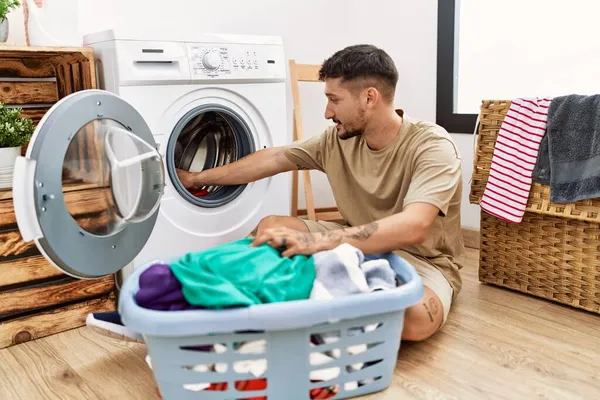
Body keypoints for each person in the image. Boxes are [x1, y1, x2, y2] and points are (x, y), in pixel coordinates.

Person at [87, 44, 464, 343]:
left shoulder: (431, 146)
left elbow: (415, 226)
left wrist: (321, 242)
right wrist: (193, 177)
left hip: (422, 260)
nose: (328, 112)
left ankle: (278, 315)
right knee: (271, 227)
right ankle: (174, 308)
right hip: (353, 241)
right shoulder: (337, 139)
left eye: (334, 99)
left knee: (414, 322)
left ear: (369, 98)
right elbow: (275, 158)